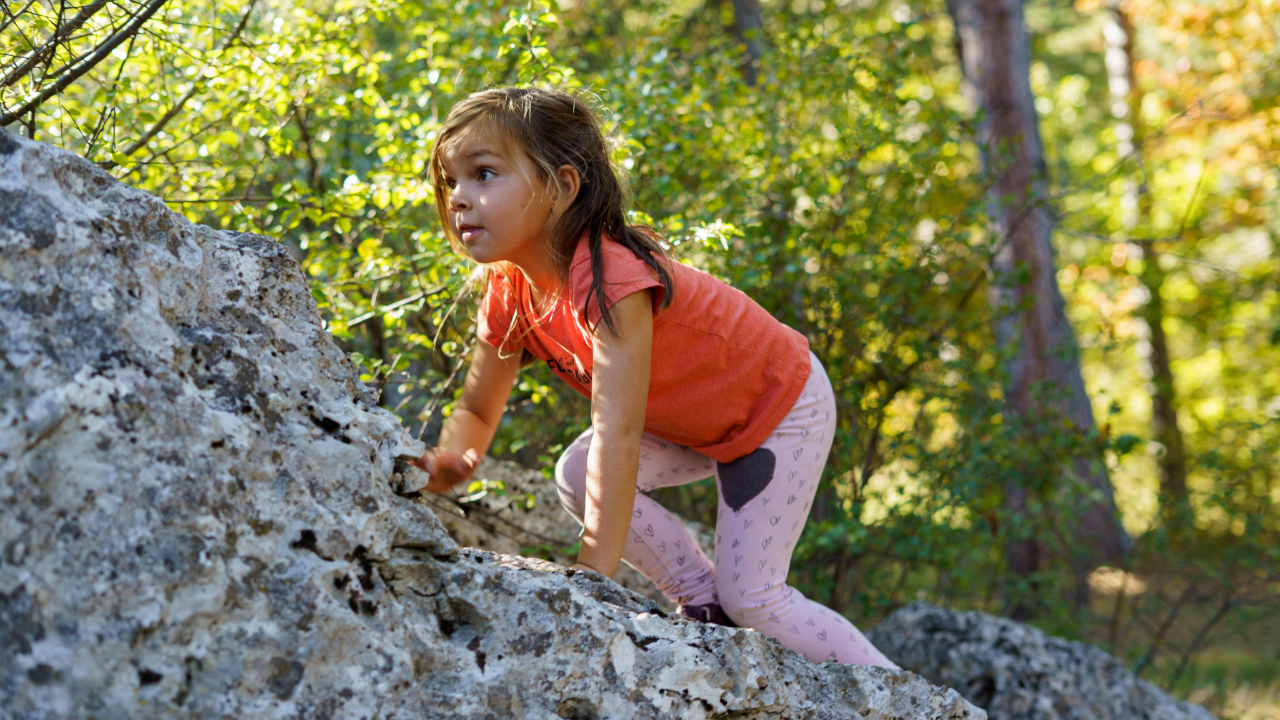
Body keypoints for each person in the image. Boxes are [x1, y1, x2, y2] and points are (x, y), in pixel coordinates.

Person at [414, 86, 897, 668]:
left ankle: (909, 701)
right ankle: (700, 601)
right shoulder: (509, 291)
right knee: (574, 473)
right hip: (694, 420)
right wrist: (453, 460)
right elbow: (478, 410)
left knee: (757, 600)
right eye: (451, 181)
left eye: (484, 173)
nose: (460, 197)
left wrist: (592, 573)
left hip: (779, 408)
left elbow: (616, 433)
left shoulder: (609, 278)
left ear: (562, 187)